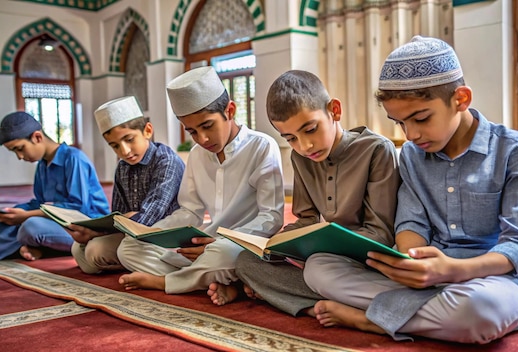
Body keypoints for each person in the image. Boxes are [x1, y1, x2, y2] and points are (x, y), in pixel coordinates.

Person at [303, 36, 518, 344]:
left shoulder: (516, 150)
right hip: (427, 279)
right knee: (319, 268)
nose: (411, 134)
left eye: (421, 118)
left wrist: (453, 271)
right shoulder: (412, 155)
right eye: (401, 123)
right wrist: (411, 261)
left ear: (460, 99)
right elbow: (411, 223)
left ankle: (373, 321)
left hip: (493, 282)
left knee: (482, 311)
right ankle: (420, 315)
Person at [207, 70, 401, 316]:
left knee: (319, 269)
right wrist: (274, 245)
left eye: (310, 130)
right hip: (327, 261)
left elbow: (381, 234)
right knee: (247, 261)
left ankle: (318, 303)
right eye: (291, 138)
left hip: (368, 263)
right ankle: (336, 303)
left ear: (335, 111)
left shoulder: (376, 150)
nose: (304, 145)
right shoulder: (301, 157)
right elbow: (307, 219)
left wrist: (321, 247)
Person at [116, 66, 285, 294]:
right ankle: (214, 281)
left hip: (241, 246)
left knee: (222, 255)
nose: (202, 138)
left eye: (207, 126)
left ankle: (168, 282)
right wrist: (151, 232)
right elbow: (190, 212)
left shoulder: (262, 146)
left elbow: (271, 216)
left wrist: (221, 242)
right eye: (193, 131)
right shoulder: (197, 154)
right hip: (204, 247)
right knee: (128, 247)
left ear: (230, 110)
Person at [69, 96, 185, 274]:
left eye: (129, 139)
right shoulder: (123, 167)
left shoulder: (166, 161)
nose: (124, 151)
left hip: (160, 234)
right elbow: (117, 214)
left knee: (95, 251)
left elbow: (151, 216)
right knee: (79, 249)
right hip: (131, 234)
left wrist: (121, 222)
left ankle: (143, 265)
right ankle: (132, 263)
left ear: (147, 130)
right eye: (115, 146)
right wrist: (96, 231)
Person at [0, 111, 110, 261]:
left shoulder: (74, 158)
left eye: (20, 149)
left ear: (37, 137)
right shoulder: (42, 166)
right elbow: (40, 203)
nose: (19, 157)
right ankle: (30, 248)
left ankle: (38, 248)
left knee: (31, 227)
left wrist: (27, 216)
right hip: (54, 223)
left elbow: (78, 208)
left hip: (83, 228)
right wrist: (14, 213)